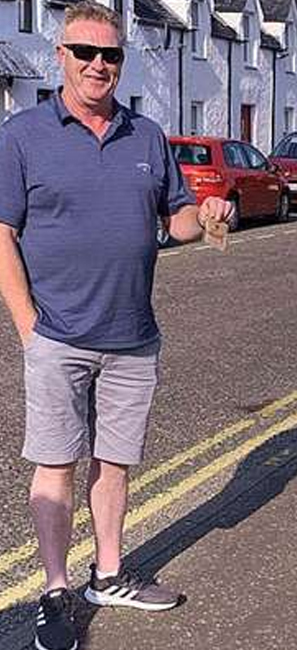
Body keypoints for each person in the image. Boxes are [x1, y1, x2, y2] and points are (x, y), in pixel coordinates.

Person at [0, 4, 234, 650]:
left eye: (111, 55)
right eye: (85, 52)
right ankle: (55, 591)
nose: (98, 65)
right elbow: (2, 234)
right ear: (61, 56)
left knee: (116, 462)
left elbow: (177, 219)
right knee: (55, 465)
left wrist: (209, 214)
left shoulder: (147, 136)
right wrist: (28, 328)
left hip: (132, 337)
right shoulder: (22, 136)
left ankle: (107, 575)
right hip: (57, 336)